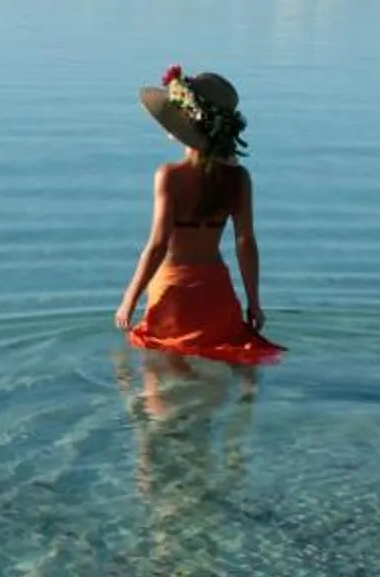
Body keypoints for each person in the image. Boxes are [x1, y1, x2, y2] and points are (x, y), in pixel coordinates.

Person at [114, 66, 284, 366]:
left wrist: (129, 300)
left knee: (162, 391)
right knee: (220, 378)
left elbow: (157, 245)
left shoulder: (169, 176)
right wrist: (254, 303)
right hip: (216, 294)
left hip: (173, 293)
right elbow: (245, 242)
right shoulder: (238, 178)